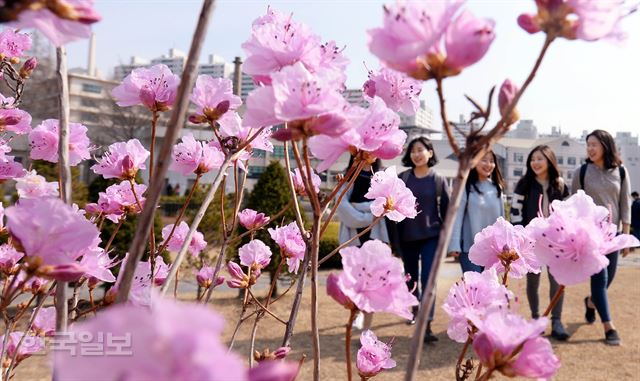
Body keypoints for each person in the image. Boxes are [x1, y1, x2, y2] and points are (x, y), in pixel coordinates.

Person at [572, 129, 632, 346]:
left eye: (594, 144)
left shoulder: (621, 171)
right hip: (590, 235)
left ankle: (590, 302)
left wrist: (625, 235)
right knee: (601, 278)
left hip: (613, 234)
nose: (590, 148)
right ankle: (609, 327)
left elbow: (625, 204)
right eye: (588, 144)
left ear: (606, 146)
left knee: (609, 278)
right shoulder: (581, 172)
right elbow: (574, 205)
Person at [510, 145, 570, 341]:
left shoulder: (560, 185)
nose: (535, 162)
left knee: (558, 281)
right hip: (531, 241)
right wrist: (520, 236)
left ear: (549, 160)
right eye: (532, 159)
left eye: (539, 159)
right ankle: (536, 319)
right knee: (532, 281)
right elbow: (516, 211)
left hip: (556, 243)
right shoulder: (524, 184)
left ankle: (557, 321)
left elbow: (569, 213)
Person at [393, 137, 450, 343]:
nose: (416, 154)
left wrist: (448, 243)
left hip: (431, 238)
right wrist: (394, 242)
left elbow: (448, 212)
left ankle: (426, 325)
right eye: (412, 151)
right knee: (411, 280)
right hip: (406, 237)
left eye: (420, 150)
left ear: (430, 153)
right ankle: (416, 309)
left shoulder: (438, 180)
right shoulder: (402, 179)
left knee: (428, 281)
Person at [336, 156, 388, 331]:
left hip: (375, 236)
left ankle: (367, 326)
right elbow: (341, 206)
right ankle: (356, 312)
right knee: (354, 280)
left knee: (371, 282)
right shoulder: (347, 175)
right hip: (352, 234)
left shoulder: (382, 176)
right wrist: (369, 215)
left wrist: (358, 206)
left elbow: (384, 205)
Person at [448, 150, 505, 273]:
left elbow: (502, 221)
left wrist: (505, 245)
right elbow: (457, 218)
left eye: (491, 161)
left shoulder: (497, 188)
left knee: (491, 288)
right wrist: (454, 244)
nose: (488, 164)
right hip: (470, 249)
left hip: (493, 251)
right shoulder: (466, 187)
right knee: (474, 286)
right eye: (484, 160)